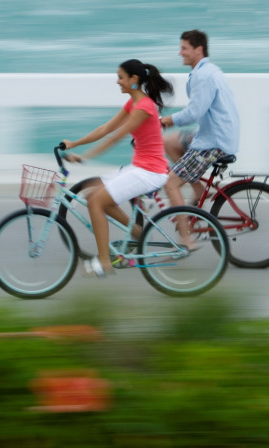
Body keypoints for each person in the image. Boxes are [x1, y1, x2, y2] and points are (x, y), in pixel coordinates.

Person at [63, 59, 173, 277]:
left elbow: (116, 137)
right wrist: (75, 144)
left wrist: (85, 157)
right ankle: (138, 234)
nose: (117, 81)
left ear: (134, 79)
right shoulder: (133, 103)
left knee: (96, 202)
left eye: (121, 77)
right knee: (93, 194)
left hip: (150, 172)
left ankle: (104, 262)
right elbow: (106, 128)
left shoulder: (143, 107)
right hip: (139, 167)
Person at [160, 30, 241, 247]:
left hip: (212, 143)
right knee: (169, 142)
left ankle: (187, 239)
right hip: (215, 134)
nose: (180, 53)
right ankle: (199, 190)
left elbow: (193, 113)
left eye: (184, 48)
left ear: (199, 49)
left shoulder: (202, 76)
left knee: (170, 183)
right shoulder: (210, 70)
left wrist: (166, 120)